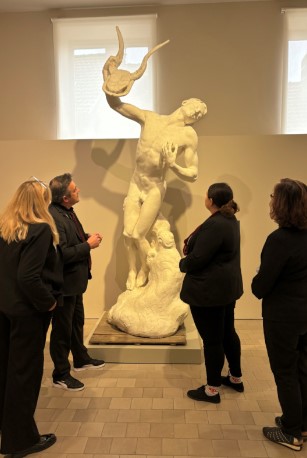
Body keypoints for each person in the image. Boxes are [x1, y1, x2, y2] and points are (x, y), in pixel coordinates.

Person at [105, 93, 207, 290]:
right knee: (127, 234)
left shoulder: (188, 135)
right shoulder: (150, 118)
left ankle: (144, 268)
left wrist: (173, 165)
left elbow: (193, 173)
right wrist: (111, 87)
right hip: (136, 183)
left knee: (137, 235)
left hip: (154, 187)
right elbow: (116, 105)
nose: (196, 112)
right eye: (196, 106)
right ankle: (132, 270)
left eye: (200, 114)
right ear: (184, 101)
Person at [0, 177, 62, 457]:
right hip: (28, 313)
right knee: (24, 376)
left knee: (7, 373)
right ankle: (21, 440)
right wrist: (48, 303)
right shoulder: (40, 230)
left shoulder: (5, 230)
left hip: (5, 309)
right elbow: (28, 276)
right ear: (42, 201)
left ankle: (8, 432)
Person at [252, 178, 307, 452]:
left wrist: (255, 281)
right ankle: (301, 423)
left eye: (273, 196)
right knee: (303, 369)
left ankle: (291, 433)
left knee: (285, 372)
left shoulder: (279, 240)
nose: (270, 200)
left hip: (283, 317)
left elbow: (261, 286)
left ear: (281, 204)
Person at [179, 182, 244, 404]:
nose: (204, 198)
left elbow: (198, 259)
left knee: (212, 340)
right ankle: (235, 378)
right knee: (227, 333)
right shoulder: (230, 220)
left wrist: (182, 263)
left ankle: (212, 390)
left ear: (211, 201)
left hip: (210, 292)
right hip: (226, 289)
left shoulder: (215, 224)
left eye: (206, 196)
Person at [49, 173, 104, 392]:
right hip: (64, 284)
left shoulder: (67, 212)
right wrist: (88, 245)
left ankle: (81, 358)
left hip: (75, 283)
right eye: (75, 189)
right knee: (62, 330)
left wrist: (86, 237)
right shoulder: (55, 216)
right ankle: (60, 374)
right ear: (65, 197)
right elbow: (61, 253)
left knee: (76, 323)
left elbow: (71, 240)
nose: (78, 190)